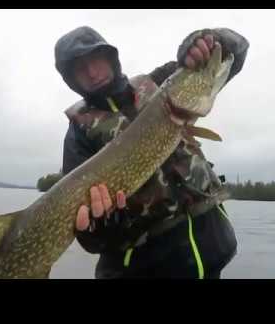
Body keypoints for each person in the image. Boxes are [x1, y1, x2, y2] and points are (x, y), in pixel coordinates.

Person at [48, 25, 249, 279]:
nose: (91, 72)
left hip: (210, 250)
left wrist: (206, 42)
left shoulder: (161, 84)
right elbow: (91, 240)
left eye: (95, 59)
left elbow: (237, 50)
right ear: (71, 79)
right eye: (79, 68)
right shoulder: (79, 134)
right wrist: (107, 226)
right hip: (146, 268)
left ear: (110, 57)